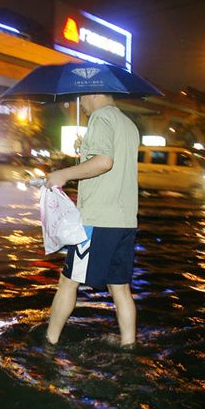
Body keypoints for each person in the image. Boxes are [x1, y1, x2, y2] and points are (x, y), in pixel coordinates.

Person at [43, 93, 140, 346]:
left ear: (94, 93)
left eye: (82, 97)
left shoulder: (100, 117)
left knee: (67, 282)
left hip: (98, 219)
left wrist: (63, 173)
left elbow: (104, 162)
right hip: (125, 221)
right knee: (120, 288)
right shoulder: (127, 123)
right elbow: (108, 160)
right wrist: (84, 150)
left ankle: (49, 343)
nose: (81, 103)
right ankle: (128, 345)